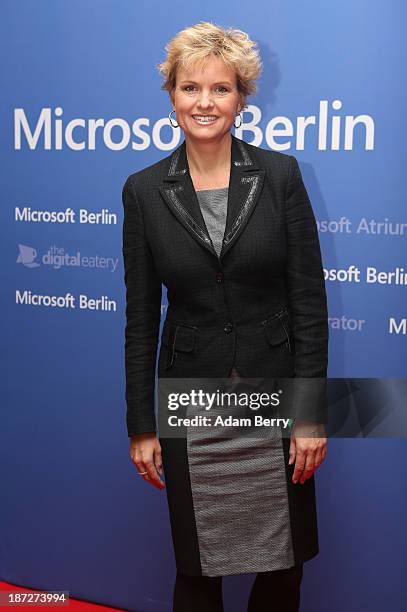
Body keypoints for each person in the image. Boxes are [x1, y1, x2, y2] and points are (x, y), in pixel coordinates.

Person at [122, 21, 328, 612]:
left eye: (221, 89)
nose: (204, 103)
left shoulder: (282, 176)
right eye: (191, 88)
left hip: (275, 396)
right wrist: (142, 424)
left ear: (242, 99)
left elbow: (309, 306)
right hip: (192, 404)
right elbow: (141, 318)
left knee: (283, 565)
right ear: (171, 97)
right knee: (198, 567)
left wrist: (311, 418)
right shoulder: (142, 190)